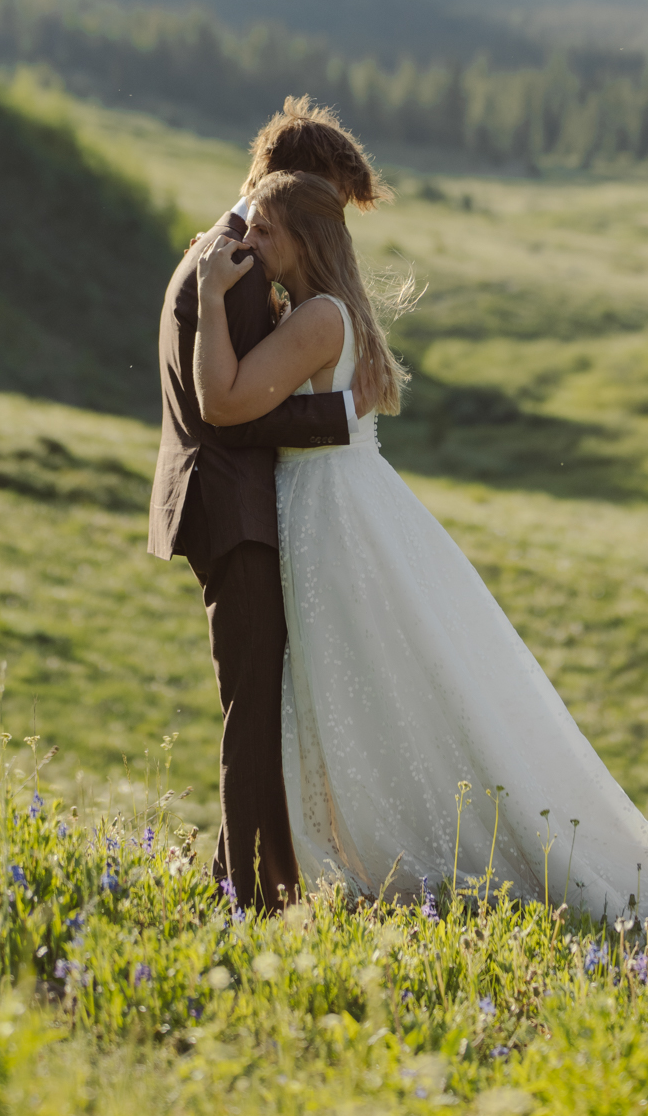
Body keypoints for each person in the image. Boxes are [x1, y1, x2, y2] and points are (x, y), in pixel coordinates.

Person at [194, 167, 648, 935]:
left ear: (305, 239)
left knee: (355, 677)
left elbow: (224, 402)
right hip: (334, 503)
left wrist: (212, 296)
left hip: (325, 512)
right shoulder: (319, 311)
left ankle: (373, 849)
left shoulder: (316, 318)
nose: (249, 239)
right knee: (348, 680)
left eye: (266, 229)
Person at [148, 98, 389, 909]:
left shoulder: (224, 253)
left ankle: (236, 876)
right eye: (321, 201)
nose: (331, 224)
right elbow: (228, 407)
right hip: (237, 513)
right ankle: (247, 894)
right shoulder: (239, 269)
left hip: (234, 508)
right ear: (284, 183)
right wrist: (337, 421)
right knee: (255, 712)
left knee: (260, 706)